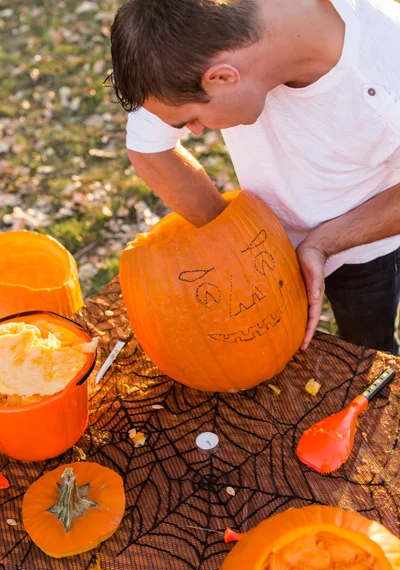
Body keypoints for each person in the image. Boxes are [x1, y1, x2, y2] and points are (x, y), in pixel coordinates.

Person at [109, 0, 400, 354]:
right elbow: (147, 148)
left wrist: (322, 243)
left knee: (367, 345)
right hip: (267, 242)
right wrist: (231, 244)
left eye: (191, 119)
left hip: (364, 248)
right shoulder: (198, 41)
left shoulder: (387, 75)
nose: (196, 131)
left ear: (223, 77)